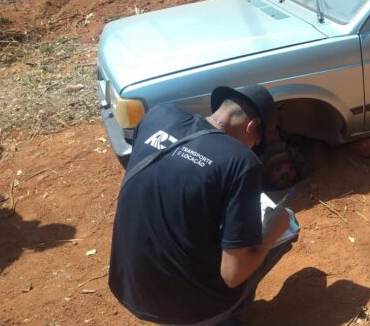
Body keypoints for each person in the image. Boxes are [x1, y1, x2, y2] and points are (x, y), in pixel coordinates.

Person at [109, 85, 295, 326]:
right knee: (282, 228)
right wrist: (273, 227)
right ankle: (221, 319)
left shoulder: (158, 116)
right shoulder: (241, 161)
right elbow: (233, 274)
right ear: (252, 126)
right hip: (188, 308)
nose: (251, 148)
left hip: (127, 285)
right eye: (255, 142)